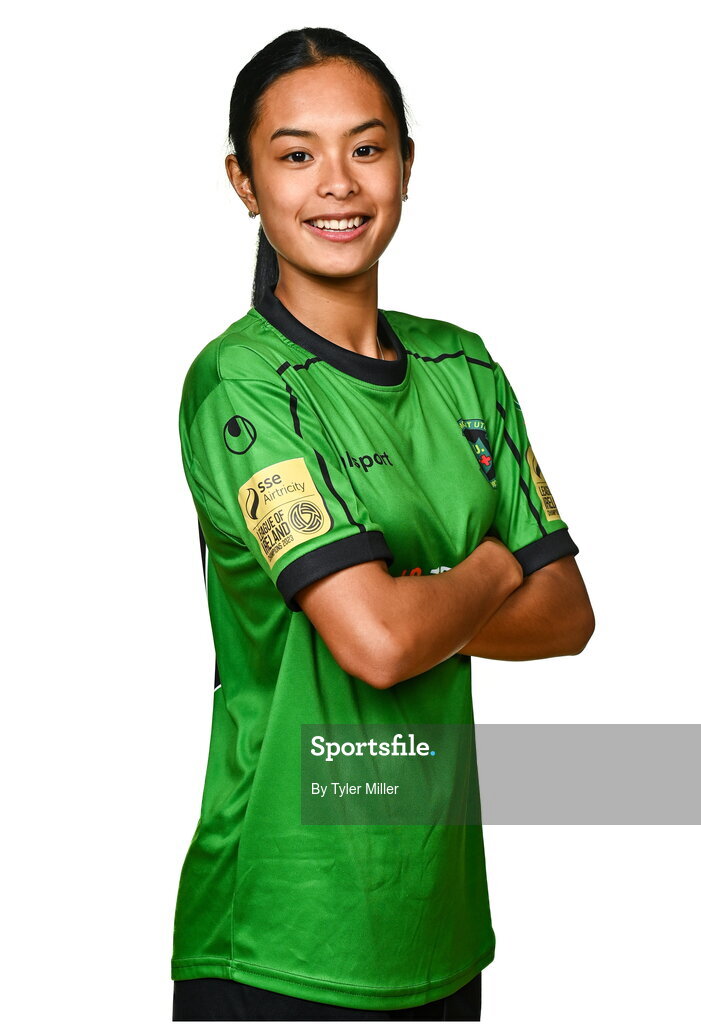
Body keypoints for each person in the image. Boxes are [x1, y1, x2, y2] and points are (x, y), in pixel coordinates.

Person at [171, 26, 595, 1023]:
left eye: (365, 149)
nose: (336, 183)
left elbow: (568, 615)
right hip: (279, 940)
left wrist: (413, 605)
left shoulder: (463, 370)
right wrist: (493, 565)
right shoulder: (241, 384)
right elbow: (374, 642)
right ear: (243, 180)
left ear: (406, 163)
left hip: (436, 928)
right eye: (294, 154)